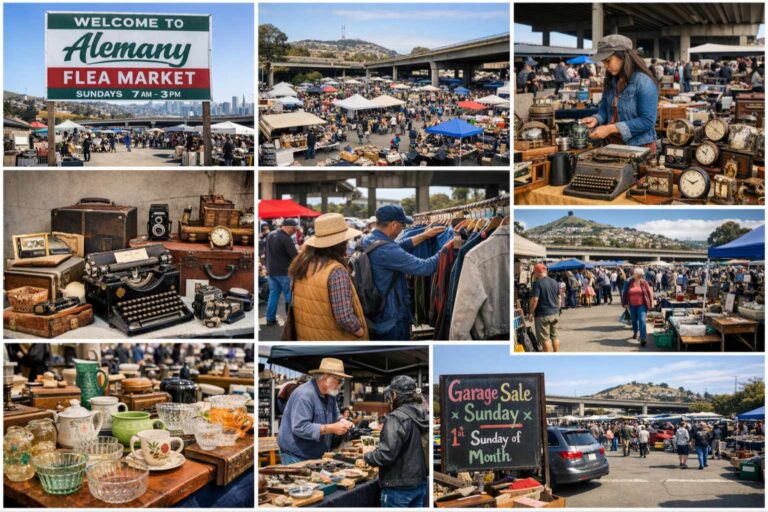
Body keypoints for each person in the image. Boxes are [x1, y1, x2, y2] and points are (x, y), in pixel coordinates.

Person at [361, 205, 446, 341]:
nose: (404, 228)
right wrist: (447, 247)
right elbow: (426, 267)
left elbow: (398, 246)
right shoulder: (387, 250)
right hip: (392, 320)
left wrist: (424, 235)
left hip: (376, 315)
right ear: (394, 224)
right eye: (403, 224)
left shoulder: (368, 239)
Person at [288, 213, 368, 341]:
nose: (347, 244)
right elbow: (344, 317)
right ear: (339, 243)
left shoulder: (302, 263)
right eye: (345, 241)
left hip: (307, 336)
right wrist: (359, 331)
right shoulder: (335, 270)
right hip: (334, 338)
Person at [582, 35, 659, 154]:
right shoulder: (611, 80)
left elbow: (647, 121)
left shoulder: (643, 82)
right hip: (612, 146)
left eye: (608, 61)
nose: (606, 66)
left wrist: (609, 128)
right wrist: (596, 119)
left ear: (623, 56)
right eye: (603, 62)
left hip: (639, 148)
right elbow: (604, 109)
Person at [360, 376, 429, 508]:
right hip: (419, 483)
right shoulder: (422, 414)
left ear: (395, 395)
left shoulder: (396, 418)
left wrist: (367, 456)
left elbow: (386, 454)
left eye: (391, 395)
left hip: (398, 486)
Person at [277, 358, 354, 463]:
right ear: (326, 378)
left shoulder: (330, 395)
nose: (340, 385)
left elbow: (336, 414)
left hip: (315, 454)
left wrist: (342, 421)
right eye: (339, 380)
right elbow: (300, 427)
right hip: (296, 456)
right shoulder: (305, 395)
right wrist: (331, 428)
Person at [264, 219, 299, 327]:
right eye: (294, 230)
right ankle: (290, 320)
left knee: (273, 295)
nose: (295, 232)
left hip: (271, 271)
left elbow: (266, 252)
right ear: (288, 227)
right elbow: (295, 256)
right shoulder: (285, 238)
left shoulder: (270, 235)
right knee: (289, 296)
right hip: (284, 272)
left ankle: (270, 319)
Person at [527, 263, 561, 352]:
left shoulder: (537, 283)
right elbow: (559, 298)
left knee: (545, 339)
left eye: (534, 273)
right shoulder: (554, 282)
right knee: (555, 336)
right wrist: (558, 309)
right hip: (554, 313)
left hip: (542, 315)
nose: (534, 275)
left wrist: (530, 313)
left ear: (537, 272)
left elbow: (535, 299)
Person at [621, 267, 654, 346]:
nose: (640, 276)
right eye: (638, 275)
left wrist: (651, 303)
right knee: (634, 321)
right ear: (634, 275)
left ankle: (643, 339)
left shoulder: (644, 282)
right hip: (632, 305)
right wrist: (625, 303)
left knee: (642, 320)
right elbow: (625, 293)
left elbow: (649, 293)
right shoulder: (628, 282)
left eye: (641, 275)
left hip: (642, 305)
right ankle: (635, 332)